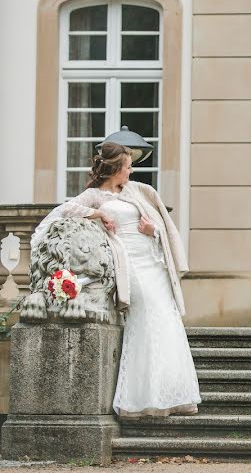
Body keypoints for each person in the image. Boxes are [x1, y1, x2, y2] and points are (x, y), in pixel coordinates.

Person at [32, 141, 200, 418]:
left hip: (152, 261)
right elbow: (63, 211)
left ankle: (172, 393)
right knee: (145, 319)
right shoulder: (94, 195)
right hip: (127, 261)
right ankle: (141, 397)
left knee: (167, 320)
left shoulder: (135, 192)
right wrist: (98, 213)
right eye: (127, 166)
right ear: (114, 169)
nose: (131, 171)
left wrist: (152, 229)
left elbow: (158, 226)